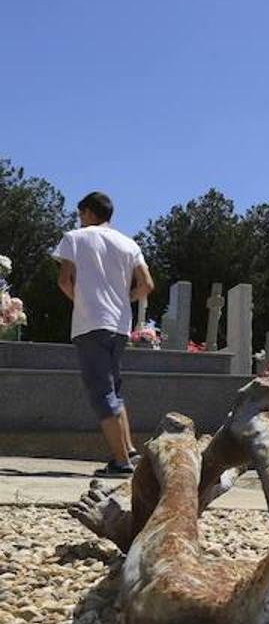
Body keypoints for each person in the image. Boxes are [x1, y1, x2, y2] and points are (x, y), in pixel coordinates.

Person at [52, 192, 155, 477]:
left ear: (87, 213)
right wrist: (123, 299)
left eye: (80, 214)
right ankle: (129, 450)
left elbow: (64, 280)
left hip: (91, 323)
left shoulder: (75, 237)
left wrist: (82, 301)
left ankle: (121, 462)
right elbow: (147, 284)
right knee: (113, 389)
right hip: (120, 324)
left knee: (101, 392)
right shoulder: (129, 243)